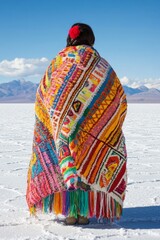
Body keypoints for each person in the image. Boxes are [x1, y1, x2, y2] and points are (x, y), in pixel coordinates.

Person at [26, 23, 127, 225]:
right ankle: (83, 212)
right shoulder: (101, 65)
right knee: (86, 164)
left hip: (62, 127)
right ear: (91, 38)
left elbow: (43, 93)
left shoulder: (58, 62)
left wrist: (55, 121)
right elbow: (118, 97)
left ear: (70, 39)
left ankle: (70, 212)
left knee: (65, 160)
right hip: (91, 129)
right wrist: (104, 124)